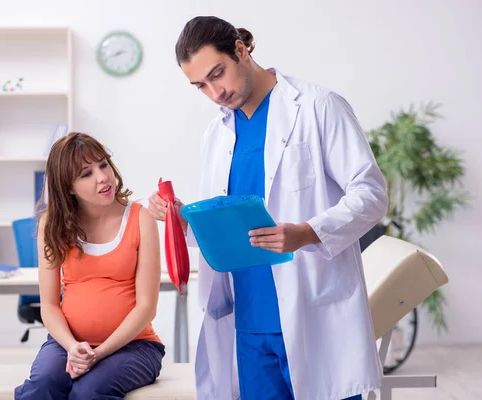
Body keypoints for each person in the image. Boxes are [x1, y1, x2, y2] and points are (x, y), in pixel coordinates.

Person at [149, 16, 388, 400]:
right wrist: (182, 218)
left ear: (241, 50)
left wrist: (307, 233)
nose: (214, 93)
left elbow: (371, 193)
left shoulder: (318, 106)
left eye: (217, 74)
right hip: (248, 320)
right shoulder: (217, 135)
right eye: (200, 86)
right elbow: (226, 224)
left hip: (312, 310)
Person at [15, 132, 165, 399]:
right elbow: (49, 305)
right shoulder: (51, 224)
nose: (103, 177)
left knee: (89, 391)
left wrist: (98, 354)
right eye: (86, 174)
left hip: (135, 346)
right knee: (42, 385)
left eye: (103, 164)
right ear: (68, 187)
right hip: (67, 344)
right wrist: (73, 347)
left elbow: (146, 308)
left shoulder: (141, 219)